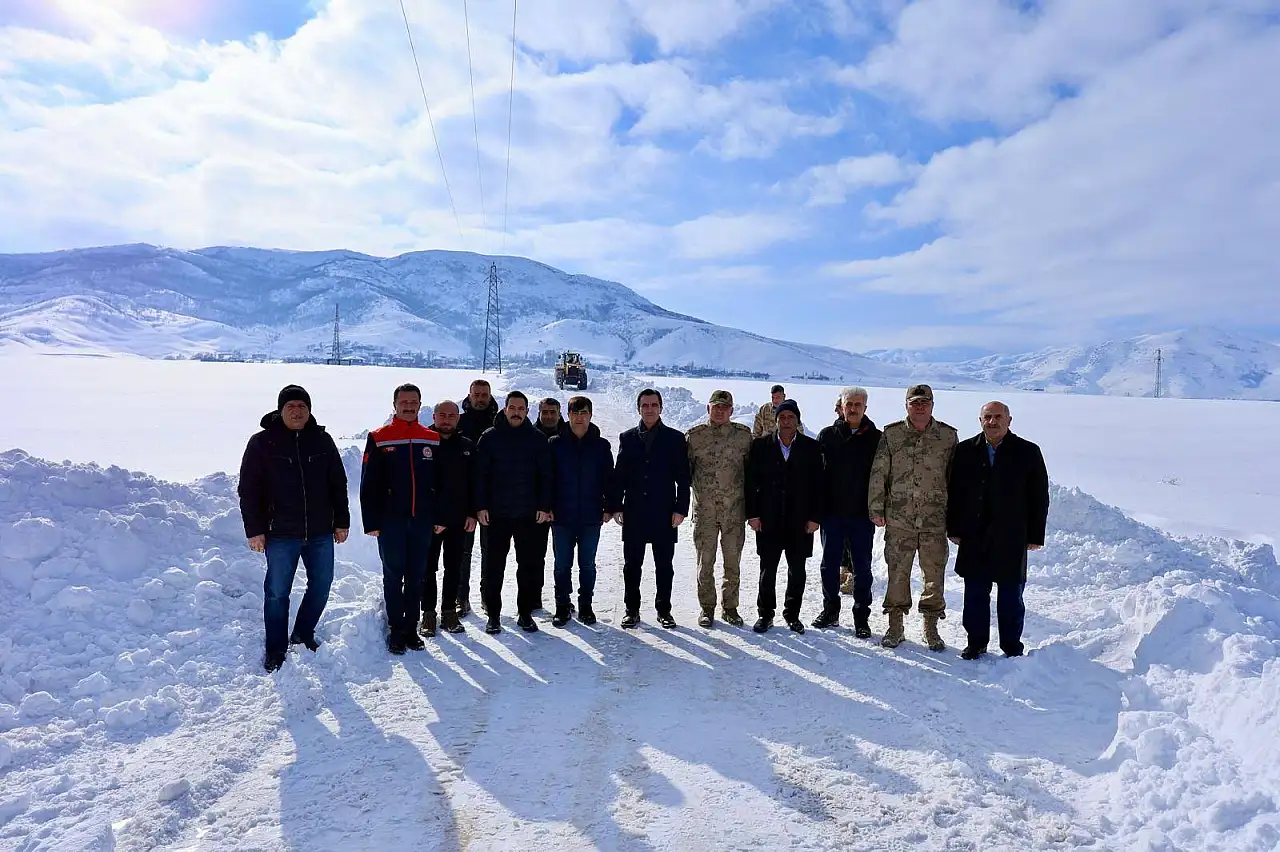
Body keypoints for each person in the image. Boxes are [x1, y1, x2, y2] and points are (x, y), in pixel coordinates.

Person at [239, 384, 350, 672]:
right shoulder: (262, 443)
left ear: (309, 410)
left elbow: (338, 483)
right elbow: (249, 490)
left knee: (322, 586)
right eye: (291, 406)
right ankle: (275, 649)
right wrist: (254, 529)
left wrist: (342, 521)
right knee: (277, 592)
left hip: (320, 531)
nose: (297, 411)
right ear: (281, 410)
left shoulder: (322, 440)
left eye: (302, 406)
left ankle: (302, 634)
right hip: (280, 533)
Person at [947, 401, 1050, 659]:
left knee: (1011, 596)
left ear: (1009, 420)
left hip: (1011, 536)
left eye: (998, 417)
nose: (992, 422)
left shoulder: (1027, 451)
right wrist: (954, 528)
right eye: (987, 417)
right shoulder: (965, 450)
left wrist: (1035, 535)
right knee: (975, 595)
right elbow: (954, 492)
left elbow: (1039, 496)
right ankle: (976, 643)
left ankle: (1011, 647)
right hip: (974, 535)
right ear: (980, 421)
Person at [869, 384, 958, 651]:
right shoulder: (892, 434)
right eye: (914, 402)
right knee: (898, 572)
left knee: (934, 574)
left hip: (934, 519)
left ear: (932, 405)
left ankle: (931, 626)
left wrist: (956, 517)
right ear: (906, 405)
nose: (919, 407)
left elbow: (956, 478)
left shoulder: (947, 436)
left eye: (924, 402)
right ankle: (895, 625)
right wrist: (876, 508)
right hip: (900, 519)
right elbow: (879, 473)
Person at [360, 383, 439, 655]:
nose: (408, 406)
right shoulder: (379, 437)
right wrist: (371, 522)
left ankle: (411, 628)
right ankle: (396, 629)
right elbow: (368, 483)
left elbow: (440, 482)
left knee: (417, 575)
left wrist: (437, 516)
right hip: (390, 521)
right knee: (393, 575)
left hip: (422, 520)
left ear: (420, 405)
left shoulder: (431, 438)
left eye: (413, 402)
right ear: (394, 405)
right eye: (403, 402)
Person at [474, 390, 554, 634]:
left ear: (527, 412)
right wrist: (480, 506)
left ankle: (525, 613)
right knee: (493, 567)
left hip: (528, 515)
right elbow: (479, 476)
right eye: (513, 408)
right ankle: (493, 615)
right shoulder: (489, 438)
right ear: (505, 409)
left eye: (521, 409)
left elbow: (546, 476)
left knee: (528, 566)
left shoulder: (537, 439)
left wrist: (544, 506)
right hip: (496, 515)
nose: (517, 413)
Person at [613, 388, 691, 629]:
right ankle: (631, 610)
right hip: (634, 512)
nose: (649, 409)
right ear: (638, 409)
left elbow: (683, 478)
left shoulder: (675, 439)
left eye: (654, 405)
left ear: (661, 408)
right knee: (632, 566)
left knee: (664, 566)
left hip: (663, 513)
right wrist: (617, 505)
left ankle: (664, 610)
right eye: (645, 405)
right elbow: (619, 475)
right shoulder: (627, 438)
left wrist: (681, 509)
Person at [745, 399, 823, 634]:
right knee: (767, 571)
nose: (786, 422)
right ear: (776, 420)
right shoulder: (761, 446)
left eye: (791, 417)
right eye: (782, 417)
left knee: (797, 571)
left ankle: (792, 614)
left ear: (797, 420)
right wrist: (753, 514)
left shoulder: (811, 447)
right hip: (768, 520)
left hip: (800, 521)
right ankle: (765, 614)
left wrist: (815, 517)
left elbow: (819, 485)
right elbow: (751, 483)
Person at [814, 387, 881, 636]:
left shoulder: (876, 438)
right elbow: (816, 475)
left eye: (857, 405)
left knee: (862, 568)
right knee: (829, 565)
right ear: (841, 407)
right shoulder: (827, 436)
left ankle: (861, 617)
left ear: (865, 408)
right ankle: (830, 611)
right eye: (848, 404)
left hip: (862, 515)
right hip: (832, 514)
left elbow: (883, 477)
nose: (853, 409)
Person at [685, 389, 752, 627]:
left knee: (732, 562)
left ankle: (730, 607)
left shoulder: (744, 437)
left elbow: (751, 474)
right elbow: (686, 474)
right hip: (705, 512)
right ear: (708, 408)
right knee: (705, 563)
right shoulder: (694, 437)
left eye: (725, 407)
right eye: (716, 407)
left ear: (732, 410)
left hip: (734, 512)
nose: (720, 411)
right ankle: (707, 607)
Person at [547, 395, 614, 626]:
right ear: (567, 415)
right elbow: (547, 478)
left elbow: (609, 479)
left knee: (587, 564)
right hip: (561, 516)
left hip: (590, 516)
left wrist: (609, 507)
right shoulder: (555, 444)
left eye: (583, 413)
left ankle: (586, 605)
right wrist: (547, 506)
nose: (579, 417)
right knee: (561, 564)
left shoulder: (601, 446)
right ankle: (562, 605)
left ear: (590, 415)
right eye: (574, 413)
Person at [421, 399, 476, 636]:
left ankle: (449, 612)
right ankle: (428, 614)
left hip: (458, 519)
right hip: (429, 520)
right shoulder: (423, 443)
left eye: (451, 416)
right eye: (442, 415)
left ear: (458, 418)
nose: (446, 420)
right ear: (434, 417)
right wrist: (433, 517)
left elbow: (474, 483)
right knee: (427, 569)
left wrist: (472, 513)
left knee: (454, 567)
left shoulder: (467, 446)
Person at [456, 379, 500, 616]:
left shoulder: (498, 423)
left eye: (484, 395)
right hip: (462, 497)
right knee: (462, 552)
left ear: (490, 396)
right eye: (477, 395)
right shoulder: (459, 422)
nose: (481, 399)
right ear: (469, 396)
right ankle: (460, 598)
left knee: (490, 551)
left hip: (492, 498)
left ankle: (487, 596)